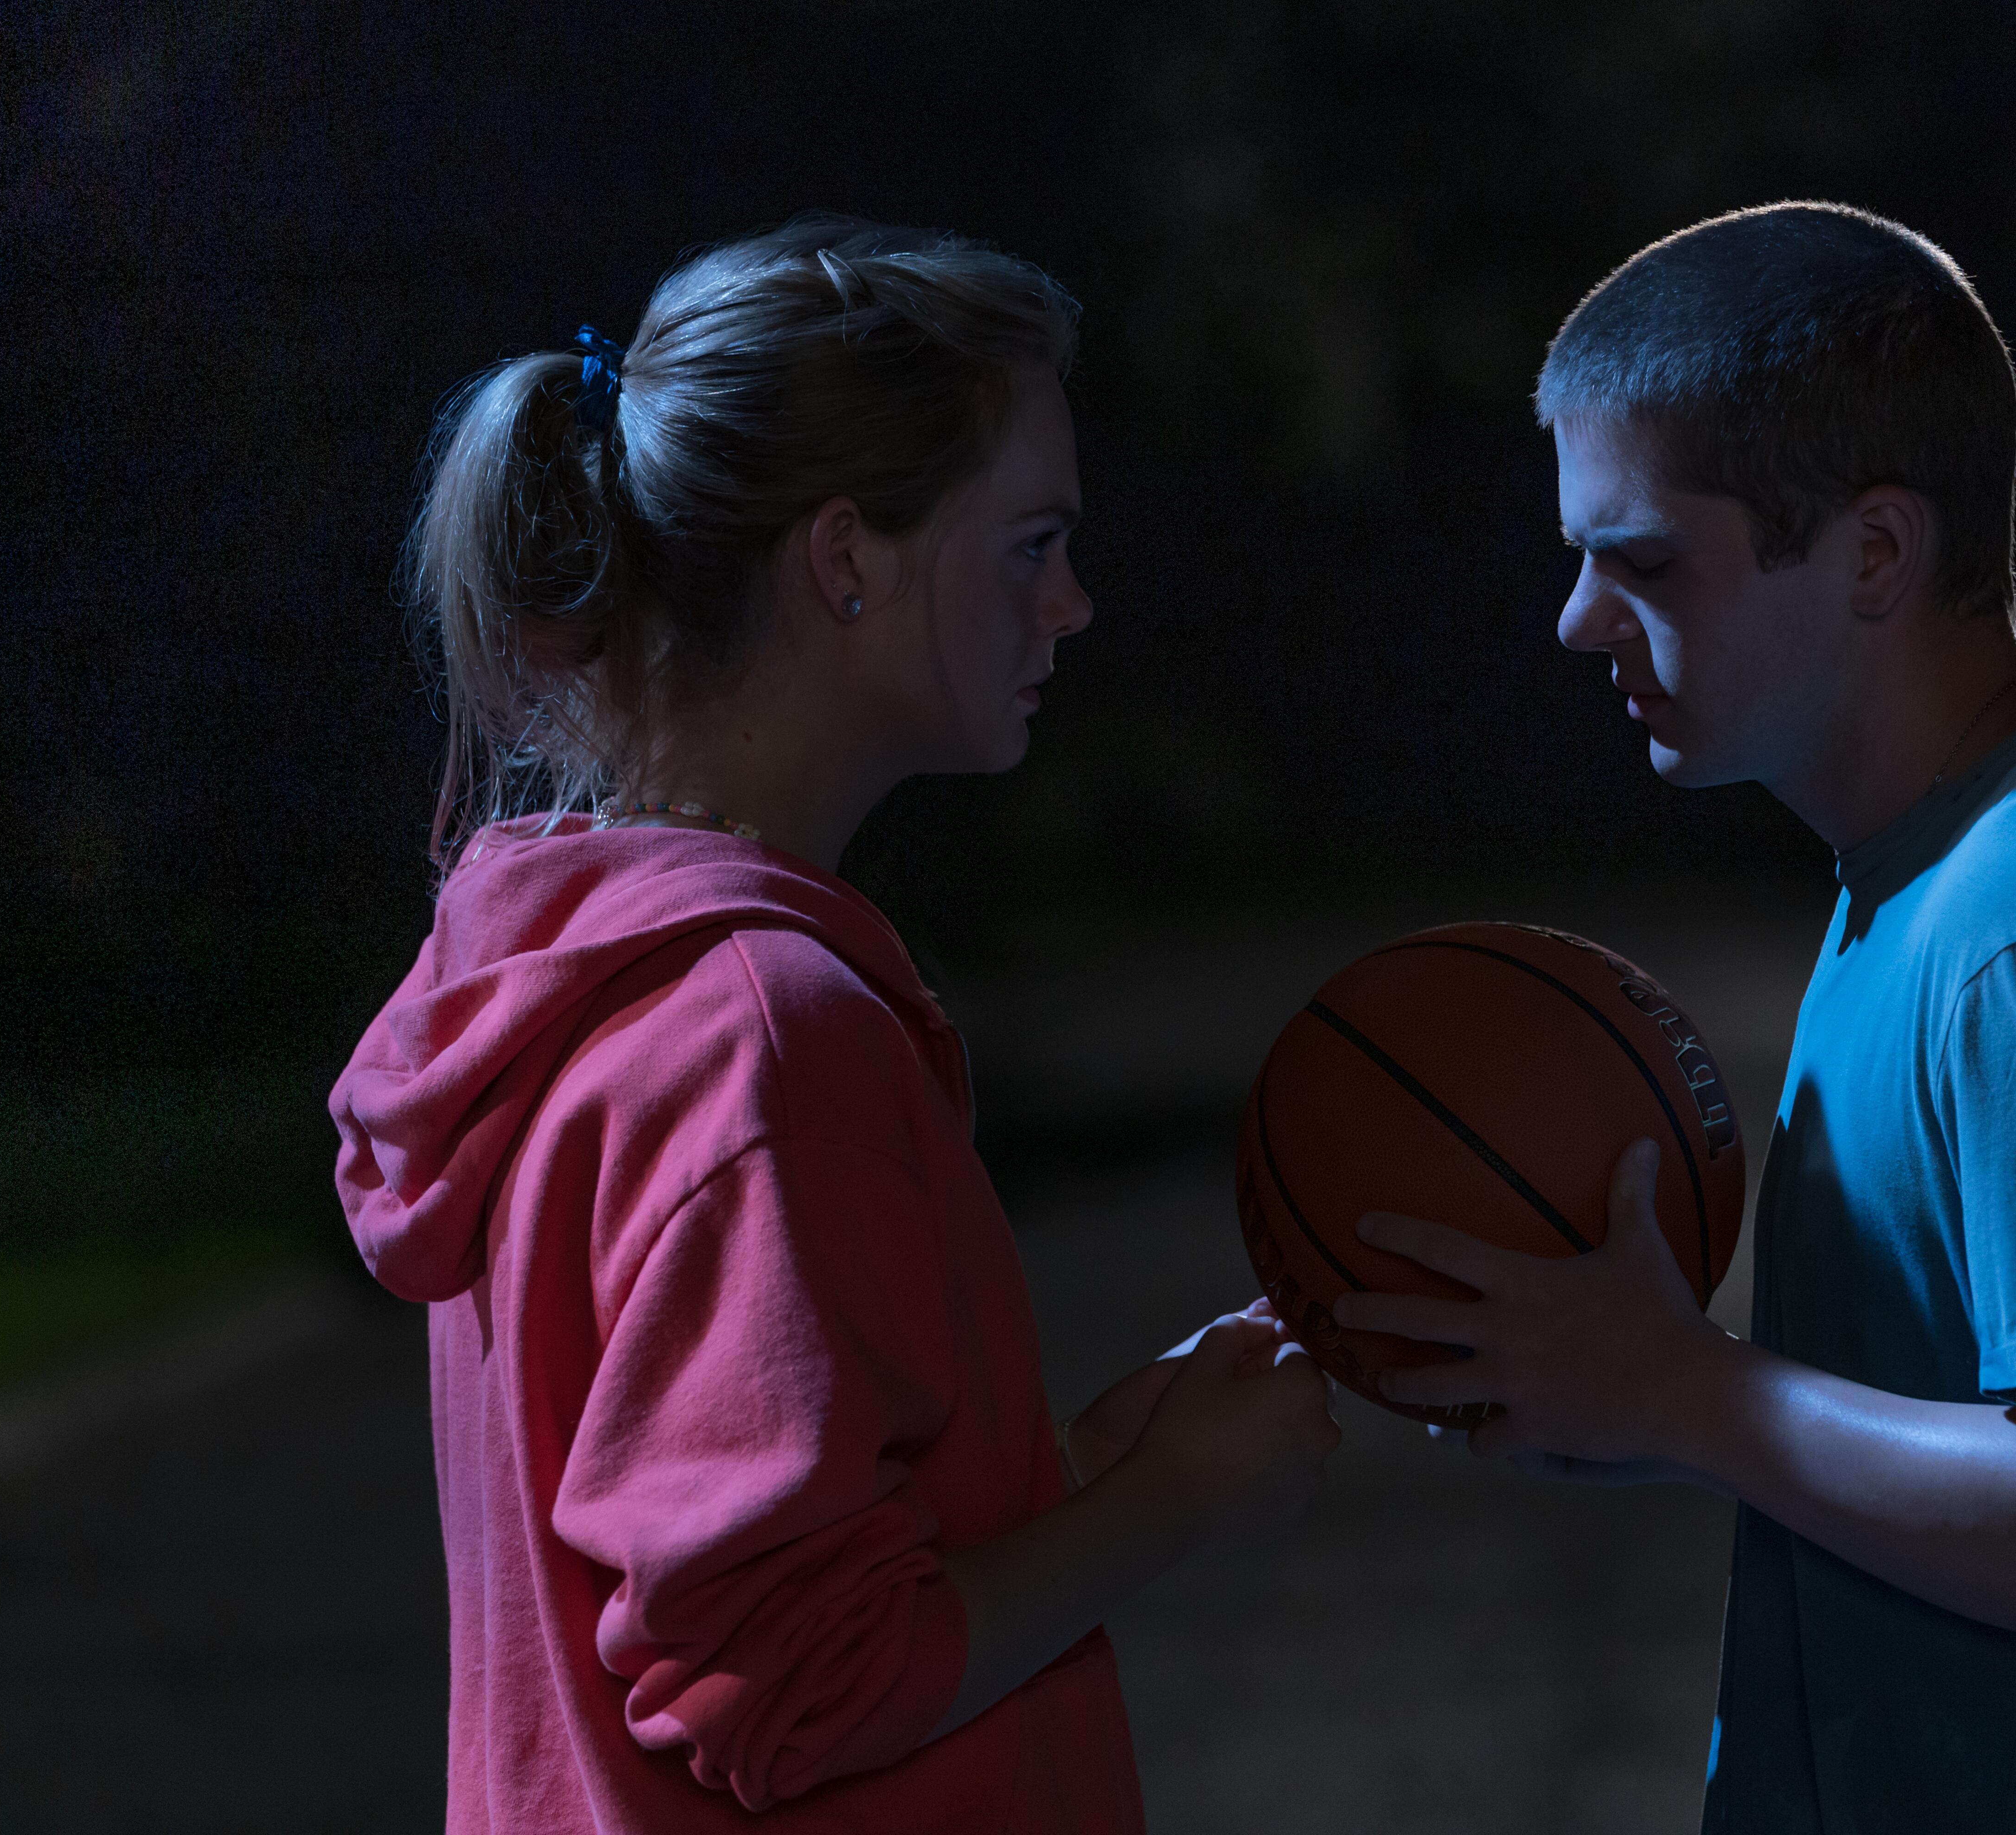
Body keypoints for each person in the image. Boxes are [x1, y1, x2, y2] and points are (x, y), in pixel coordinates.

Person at [1334, 202, 2016, 1831]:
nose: (1578, 622)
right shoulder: (1932, 874)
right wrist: (1637, 1402)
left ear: (1876, 552)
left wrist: (1693, 1396)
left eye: (1645, 561)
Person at [330, 217, 1339, 1834]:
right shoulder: (762, 1037)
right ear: (848, 559)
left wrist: (1059, 1469)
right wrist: (1174, 1505)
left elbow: (733, 1556)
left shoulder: (568, 981)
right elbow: (787, 1684)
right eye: (1031, 543)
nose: (1072, 604)